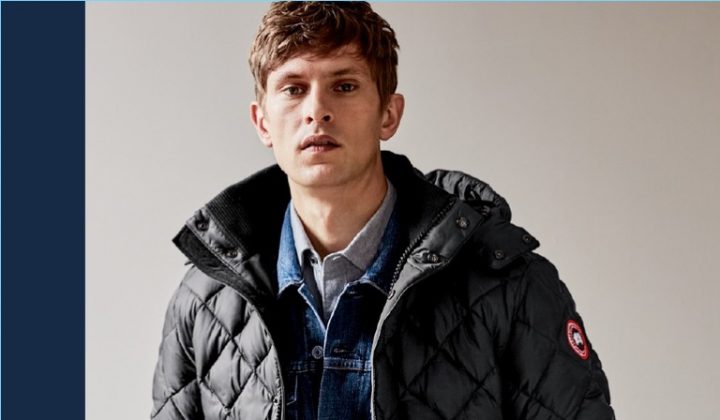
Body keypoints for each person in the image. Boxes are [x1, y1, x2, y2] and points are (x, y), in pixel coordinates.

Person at [151, 2, 615, 420]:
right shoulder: (205, 301)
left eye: (344, 86)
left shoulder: (506, 283)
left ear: (388, 114)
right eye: (293, 89)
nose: (317, 110)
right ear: (262, 122)